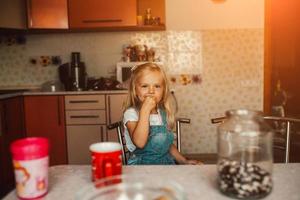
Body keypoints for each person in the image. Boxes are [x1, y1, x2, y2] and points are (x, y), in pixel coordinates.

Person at [122, 62, 201, 165]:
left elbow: (166, 145)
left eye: (157, 86)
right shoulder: (131, 113)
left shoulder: (162, 113)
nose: (151, 91)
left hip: (166, 164)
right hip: (142, 166)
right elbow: (140, 143)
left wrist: (184, 161)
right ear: (135, 90)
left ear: (163, 90)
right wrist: (145, 111)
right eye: (144, 86)